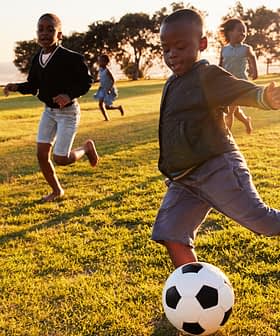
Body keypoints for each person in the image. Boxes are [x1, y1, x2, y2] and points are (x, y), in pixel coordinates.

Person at [151, 9, 280, 268]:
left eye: (180, 46)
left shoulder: (207, 75)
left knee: (263, 222)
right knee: (172, 234)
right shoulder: (172, 83)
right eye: (166, 49)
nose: (171, 54)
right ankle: (191, 287)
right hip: (183, 179)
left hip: (217, 168)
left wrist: (264, 98)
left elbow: (240, 90)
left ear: (201, 44)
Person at [3, 13, 99, 202]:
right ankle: (57, 191)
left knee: (61, 159)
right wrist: (15, 87)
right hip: (49, 112)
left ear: (60, 35)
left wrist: (68, 95)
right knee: (41, 155)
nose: (44, 33)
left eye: (50, 29)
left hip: (68, 113)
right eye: (40, 29)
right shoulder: (37, 58)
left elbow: (87, 81)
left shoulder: (71, 58)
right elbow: (33, 86)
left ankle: (86, 149)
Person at [219, 18, 258, 134]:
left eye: (244, 31)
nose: (243, 33)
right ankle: (246, 121)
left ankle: (227, 136)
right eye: (240, 30)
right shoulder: (224, 50)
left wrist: (254, 71)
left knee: (229, 111)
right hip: (227, 83)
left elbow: (252, 58)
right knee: (234, 111)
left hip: (240, 84)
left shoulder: (246, 49)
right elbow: (220, 65)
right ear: (230, 32)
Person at [94, 54, 124, 121]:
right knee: (101, 105)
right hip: (102, 89)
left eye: (101, 61)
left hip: (108, 90)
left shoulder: (107, 71)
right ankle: (107, 118)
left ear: (105, 62)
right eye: (99, 61)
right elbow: (102, 79)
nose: (99, 62)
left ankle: (118, 108)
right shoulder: (100, 70)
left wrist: (109, 89)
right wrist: (96, 81)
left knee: (105, 106)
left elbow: (113, 80)